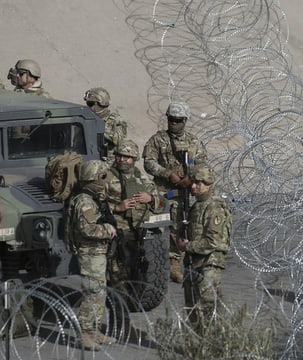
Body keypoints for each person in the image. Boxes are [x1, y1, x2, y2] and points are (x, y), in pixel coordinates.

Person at [143, 101, 208, 283]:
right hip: (164, 193)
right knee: (158, 226)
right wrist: (167, 173)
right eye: (171, 120)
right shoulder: (158, 140)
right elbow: (149, 162)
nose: (174, 123)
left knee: (183, 227)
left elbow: (203, 165)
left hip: (186, 193)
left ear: (185, 120)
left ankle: (177, 264)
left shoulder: (194, 142)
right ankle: (156, 263)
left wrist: (191, 176)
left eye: (178, 120)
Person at [66, 160, 118, 350]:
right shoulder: (85, 202)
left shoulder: (93, 197)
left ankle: (94, 330)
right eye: (102, 177)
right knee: (92, 293)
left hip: (97, 253)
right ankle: (85, 334)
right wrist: (107, 229)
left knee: (99, 293)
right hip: (90, 254)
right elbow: (87, 229)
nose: (106, 181)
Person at [175, 164, 232, 333]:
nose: (193, 186)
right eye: (192, 182)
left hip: (209, 263)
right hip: (195, 262)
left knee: (208, 309)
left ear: (208, 183)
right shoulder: (197, 205)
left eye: (198, 183)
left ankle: (213, 346)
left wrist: (187, 246)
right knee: (193, 308)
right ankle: (199, 345)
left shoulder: (213, 206)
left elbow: (213, 241)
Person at [105, 140, 163, 290]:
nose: (122, 160)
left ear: (134, 159)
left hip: (138, 229)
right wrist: (117, 207)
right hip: (116, 230)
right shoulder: (107, 177)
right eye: (120, 156)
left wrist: (150, 199)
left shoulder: (141, 178)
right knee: (118, 269)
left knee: (137, 267)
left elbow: (162, 203)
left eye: (127, 157)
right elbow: (94, 204)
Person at [84, 88, 129, 162]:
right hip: (89, 157)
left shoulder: (116, 120)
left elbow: (118, 140)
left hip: (109, 160)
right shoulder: (86, 118)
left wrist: (98, 128)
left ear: (99, 104)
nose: (88, 107)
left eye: (90, 104)